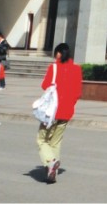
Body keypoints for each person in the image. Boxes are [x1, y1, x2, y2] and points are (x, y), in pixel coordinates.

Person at [37, 43, 82, 184]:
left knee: (42, 140)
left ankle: (51, 162)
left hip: (51, 112)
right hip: (67, 110)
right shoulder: (77, 69)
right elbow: (78, 92)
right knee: (56, 142)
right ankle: (53, 172)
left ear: (59, 53)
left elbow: (45, 85)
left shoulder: (54, 67)